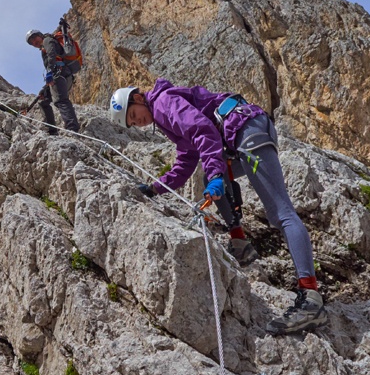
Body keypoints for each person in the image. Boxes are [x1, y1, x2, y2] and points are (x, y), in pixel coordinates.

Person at [109, 79, 327, 335]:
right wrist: (157, 187)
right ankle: (240, 245)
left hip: (247, 131)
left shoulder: (162, 103)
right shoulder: (162, 114)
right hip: (246, 130)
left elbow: (203, 131)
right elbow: (187, 158)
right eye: (133, 123)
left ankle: (311, 298)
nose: (139, 122)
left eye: (134, 115)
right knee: (212, 179)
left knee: (281, 213)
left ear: (138, 99)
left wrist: (214, 175)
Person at [26, 28, 80, 134]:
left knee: (61, 100)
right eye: (31, 42)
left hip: (58, 73)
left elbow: (52, 54)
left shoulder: (47, 40)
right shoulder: (46, 43)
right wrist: (45, 89)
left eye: (34, 38)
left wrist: (50, 71)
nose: (33, 42)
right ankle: (51, 131)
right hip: (63, 75)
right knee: (44, 101)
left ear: (40, 34)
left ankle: (72, 129)